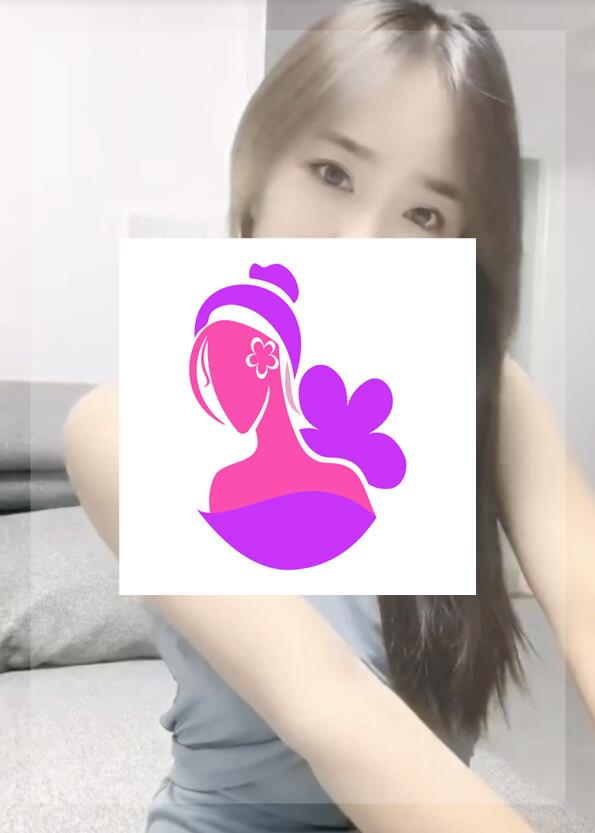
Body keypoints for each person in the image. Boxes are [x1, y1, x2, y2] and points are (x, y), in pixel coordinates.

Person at [61, 2, 595, 833]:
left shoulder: (490, 397)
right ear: (258, 169)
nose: (359, 248)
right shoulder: (119, 429)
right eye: (333, 174)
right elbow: (334, 709)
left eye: (424, 215)